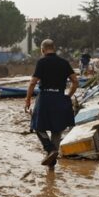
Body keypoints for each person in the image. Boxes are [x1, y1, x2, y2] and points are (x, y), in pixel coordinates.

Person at [25, 39, 78, 169]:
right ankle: (52, 165)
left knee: (37, 126)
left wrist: (28, 99)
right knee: (57, 129)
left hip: (45, 98)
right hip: (59, 96)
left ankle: (50, 150)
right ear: (54, 48)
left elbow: (33, 82)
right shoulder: (64, 63)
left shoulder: (42, 62)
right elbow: (75, 81)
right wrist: (67, 96)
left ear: (42, 50)